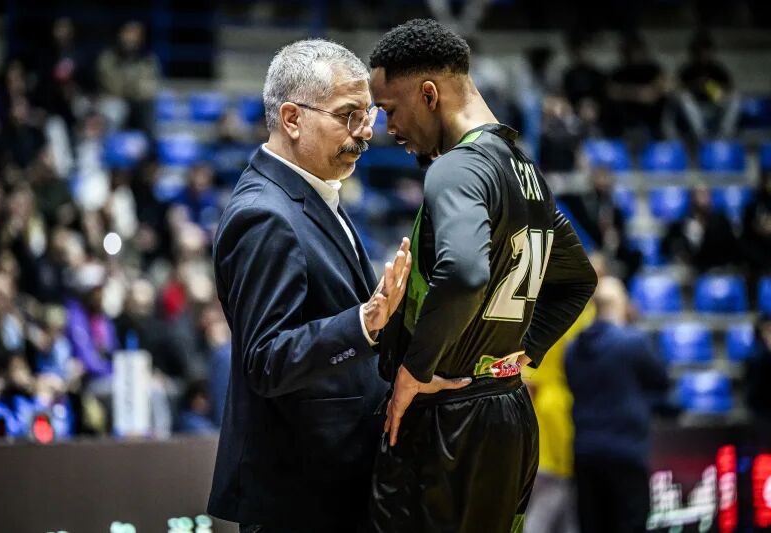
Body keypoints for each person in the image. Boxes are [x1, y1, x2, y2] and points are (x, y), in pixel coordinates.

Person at [367, 19, 598, 533]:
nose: (389, 129)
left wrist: (414, 370)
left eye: (390, 109)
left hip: (451, 419)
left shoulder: (456, 169)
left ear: (429, 94)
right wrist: (527, 349)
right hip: (509, 409)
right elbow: (578, 279)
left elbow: (465, 272)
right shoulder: (526, 172)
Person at [207, 40, 412, 532]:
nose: (366, 131)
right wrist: (364, 323)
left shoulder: (312, 192)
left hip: (333, 485)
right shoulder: (264, 215)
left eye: (368, 114)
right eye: (348, 115)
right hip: (298, 497)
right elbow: (266, 359)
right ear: (292, 118)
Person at [565, 276, 668, 533]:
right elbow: (661, 380)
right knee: (630, 524)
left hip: (585, 451)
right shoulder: (633, 342)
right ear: (621, 304)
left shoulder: (572, 348)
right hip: (625, 452)